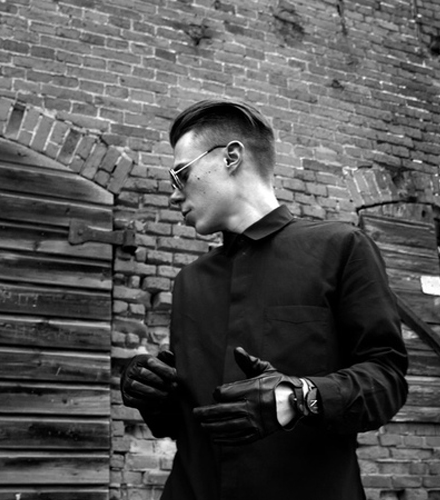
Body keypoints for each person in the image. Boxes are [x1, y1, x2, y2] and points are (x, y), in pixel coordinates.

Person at [120, 99, 408, 500]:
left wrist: (297, 397)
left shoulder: (340, 247)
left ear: (231, 157)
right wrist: (151, 395)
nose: (172, 195)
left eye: (180, 174)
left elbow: (387, 379)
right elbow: (182, 423)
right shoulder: (188, 281)